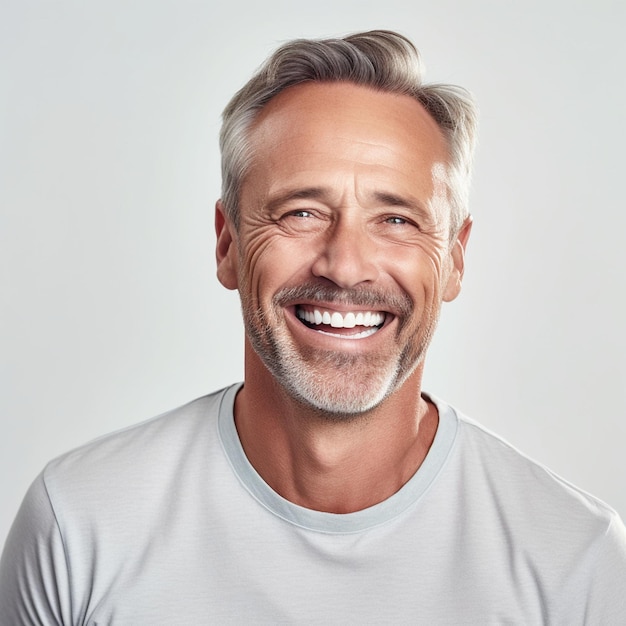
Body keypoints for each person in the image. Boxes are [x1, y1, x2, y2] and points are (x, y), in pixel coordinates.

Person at [1, 30, 625, 624]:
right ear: (228, 245)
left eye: (397, 220)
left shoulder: (575, 561)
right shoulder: (79, 523)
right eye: (301, 212)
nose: (345, 266)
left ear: (455, 259)